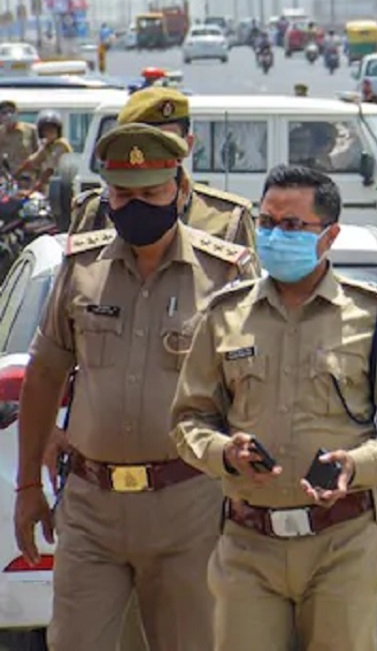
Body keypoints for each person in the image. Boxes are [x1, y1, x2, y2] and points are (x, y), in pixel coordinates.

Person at [13, 123, 258, 651]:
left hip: (189, 505)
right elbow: (44, 375)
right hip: (90, 507)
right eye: (122, 195)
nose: (135, 207)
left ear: (180, 190)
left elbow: (254, 393)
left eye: (151, 193)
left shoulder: (226, 274)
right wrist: (29, 486)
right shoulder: (81, 267)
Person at [171, 164, 377, 650]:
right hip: (248, 541)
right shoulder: (226, 314)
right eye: (267, 223)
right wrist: (225, 451)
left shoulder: (373, 315)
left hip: (342, 543)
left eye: (292, 226)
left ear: (328, 235)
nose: (274, 235)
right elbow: (188, 420)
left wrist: (358, 465)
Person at [68, 88, 257, 249]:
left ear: (188, 145)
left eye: (167, 143)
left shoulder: (226, 219)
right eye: (143, 144)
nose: (153, 153)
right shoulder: (94, 212)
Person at [14, 110, 72, 197]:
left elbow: (49, 171)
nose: (49, 132)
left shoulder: (60, 145)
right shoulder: (48, 146)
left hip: (62, 189)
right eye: (46, 130)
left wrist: (31, 191)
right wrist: (14, 175)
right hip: (51, 189)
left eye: (52, 129)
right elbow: (32, 161)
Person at [0, 99, 37, 181]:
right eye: (4, 113)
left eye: (11, 111)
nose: (8, 115)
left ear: (17, 113)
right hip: (5, 181)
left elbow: (40, 155)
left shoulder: (31, 130)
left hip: (27, 180)